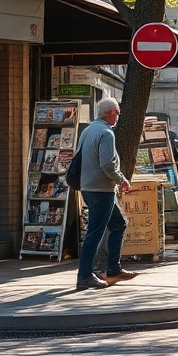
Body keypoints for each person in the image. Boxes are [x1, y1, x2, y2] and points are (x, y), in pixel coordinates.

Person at [75, 97, 138, 291]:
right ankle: (85, 276)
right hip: (101, 189)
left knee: (119, 223)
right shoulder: (106, 133)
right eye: (117, 112)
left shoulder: (88, 130)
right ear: (110, 112)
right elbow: (108, 164)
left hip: (88, 187)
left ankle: (113, 268)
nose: (118, 116)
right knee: (94, 232)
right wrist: (122, 179)